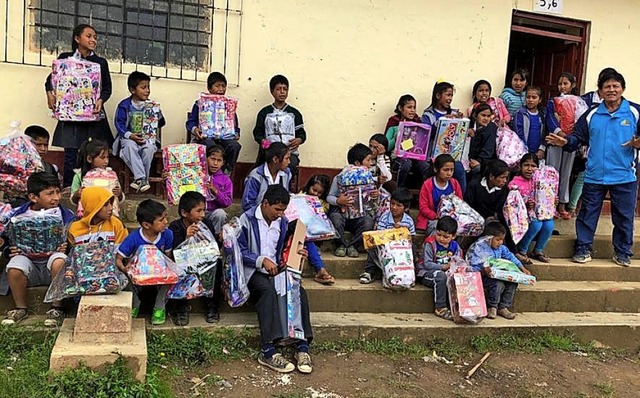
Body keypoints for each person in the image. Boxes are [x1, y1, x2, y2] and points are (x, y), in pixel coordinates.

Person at [546, 70, 640, 267]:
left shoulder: (634, 112)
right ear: (600, 90)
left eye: (616, 86)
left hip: (624, 176)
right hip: (594, 175)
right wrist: (565, 141)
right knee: (587, 214)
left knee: (624, 217)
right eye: (607, 86)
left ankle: (622, 252)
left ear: (622, 88)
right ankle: (583, 248)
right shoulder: (592, 114)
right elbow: (577, 139)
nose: (611, 90)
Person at [238, 184, 313, 374]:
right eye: (277, 209)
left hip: (276, 269)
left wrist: (295, 253)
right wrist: (261, 260)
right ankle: (267, 350)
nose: (280, 214)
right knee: (267, 291)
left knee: (298, 290)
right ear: (265, 203)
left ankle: (302, 346)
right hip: (251, 271)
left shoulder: (282, 222)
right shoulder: (246, 220)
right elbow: (238, 252)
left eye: (283, 210)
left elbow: (281, 250)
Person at [0, 172, 75, 326]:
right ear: (33, 197)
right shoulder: (17, 215)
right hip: (30, 266)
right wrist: (8, 250)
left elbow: (75, 242)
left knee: (60, 260)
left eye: (57, 192)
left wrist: (66, 248)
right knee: (15, 266)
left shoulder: (67, 216)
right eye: (49, 194)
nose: (56, 198)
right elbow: (5, 239)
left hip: (53, 266)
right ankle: (20, 307)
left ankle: (56, 307)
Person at [45, 24, 113, 187]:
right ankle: (70, 187)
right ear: (77, 38)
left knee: (93, 151)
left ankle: (92, 185)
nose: (93, 40)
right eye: (89, 36)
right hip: (70, 117)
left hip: (92, 116)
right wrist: (49, 94)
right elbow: (51, 80)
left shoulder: (100, 63)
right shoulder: (65, 59)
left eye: (95, 37)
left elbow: (107, 88)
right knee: (70, 153)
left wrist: (100, 100)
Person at [63, 187, 129, 326]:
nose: (111, 208)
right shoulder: (75, 228)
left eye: (111, 203)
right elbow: (74, 257)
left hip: (110, 273)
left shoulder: (115, 224)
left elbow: (120, 253)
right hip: (84, 275)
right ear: (93, 205)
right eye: (105, 204)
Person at [168, 191, 222, 325]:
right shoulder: (175, 227)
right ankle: (181, 307)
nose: (202, 215)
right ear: (184, 213)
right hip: (185, 262)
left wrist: (220, 239)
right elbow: (175, 253)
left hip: (203, 261)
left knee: (217, 265)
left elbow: (212, 246)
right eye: (198, 211)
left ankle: (212, 306)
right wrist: (186, 239)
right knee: (181, 268)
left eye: (203, 210)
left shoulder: (206, 224)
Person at [116, 199, 173, 324]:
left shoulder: (167, 235)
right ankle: (134, 302)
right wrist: (125, 269)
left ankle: (159, 306)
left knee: (173, 275)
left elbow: (168, 258)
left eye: (165, 218)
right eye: (161, 220)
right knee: (121, 276)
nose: (165, 222)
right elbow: (119, 260)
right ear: (146, 225)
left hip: (159, 273)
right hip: (138, 274)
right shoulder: (133, 238)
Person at [113, 71, 166, 192]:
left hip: (147, 139)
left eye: (148, 87)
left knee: (148, 149)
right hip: (129, 138)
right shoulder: (124, 105)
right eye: (143, 87)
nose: (147, 90)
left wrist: (158, 114)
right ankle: (143, 179)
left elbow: (161, 124)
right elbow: (118, 123)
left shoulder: (151, 105)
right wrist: (130, 135)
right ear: (132, 90)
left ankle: (139, 179)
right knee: (129, 147)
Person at [253, 75, 307, 191]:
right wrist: (263, 141)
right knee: (261, 168)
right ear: (272, 91)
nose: (282, 92)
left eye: (285, 89)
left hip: (290, 153)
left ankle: (287, 189)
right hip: (270, 153)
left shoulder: (294, 113)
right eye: (278, 89)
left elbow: (302, 133)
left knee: (290, 164)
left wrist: (299, 140)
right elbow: (257, 133)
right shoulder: (264, 112)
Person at [468, 222, 531, 320]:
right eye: (498, 240)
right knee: (498, 283)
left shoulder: (501, 248)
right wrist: (483, 270)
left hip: (499, 274)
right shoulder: (479, 248)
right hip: (484, 276)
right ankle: (492, 306)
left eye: (502, 239)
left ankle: (503, 306)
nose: (500, 242)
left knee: (513, 283)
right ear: (488, 238)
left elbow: (511, 257)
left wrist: (522, 268)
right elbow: (473, 266)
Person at [326, 144, 377, 258]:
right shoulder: (340, 177)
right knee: (335, 218)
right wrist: (339, 201)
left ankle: (352, 245)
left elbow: (371, 202)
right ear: (358, 163)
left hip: (359, 217)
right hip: (342, 214)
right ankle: (341, 245)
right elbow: (329, 197)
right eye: (368, 160)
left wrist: (374, 195)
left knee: (368, 221)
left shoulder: (369, 178)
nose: (370, 163)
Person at [186, 72, 241, 175]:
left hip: (224, 139)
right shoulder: (200, 104)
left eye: (223, 86)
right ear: (209, 88)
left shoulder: (228, 106)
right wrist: (195, 129)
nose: (221, 89)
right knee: (210, 145)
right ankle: (205, 173)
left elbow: (235, 126)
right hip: (205, 139)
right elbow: (190, 122)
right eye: (217, 86)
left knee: (235, 146)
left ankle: (225, 173)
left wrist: (236, 134)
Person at [360, 188, 415, 284]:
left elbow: (412, 237)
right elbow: (379, 235)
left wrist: (403, 231)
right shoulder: (384, 217)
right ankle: (370, 272)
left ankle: (408, 274)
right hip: (385, 247)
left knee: (413, 248)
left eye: (398, 205)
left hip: (400, 251)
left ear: (405, 208)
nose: (394, 207)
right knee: (372, 247)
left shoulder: (408, 220)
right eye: (392, 204)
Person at [509, 154, 554, 263]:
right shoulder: (515, 182)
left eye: (533, 166)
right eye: (526, 165)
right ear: (520, 167)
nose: (529, 169)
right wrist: (524, 203)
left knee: (549, 224)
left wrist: (552, 200)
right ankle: (522, 250)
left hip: (539, 213)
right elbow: (512, 202)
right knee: (536, 224)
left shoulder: (541, 182)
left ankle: (538, 250)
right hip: (522, 216)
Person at [546, 72, 580, 219]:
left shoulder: (577, 102)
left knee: (566, 173)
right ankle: (549, 204)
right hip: (555, 139)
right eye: (560, 83)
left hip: (569, 142)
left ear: (572, 85)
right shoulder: (552, 101)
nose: (562, 86)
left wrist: (570, 138)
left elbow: (579, 122)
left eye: (565, 83)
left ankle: (562, 204)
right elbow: (550, 120)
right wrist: (559, 133)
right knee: (552, 172)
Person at [421, 82, 467, 191]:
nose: (450, 99)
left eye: (451, 95)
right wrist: (442, 122)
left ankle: (461, 201)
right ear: (438, 96)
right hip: (433, 157)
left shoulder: (455, 113)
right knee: (428, 169)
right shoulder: (428, 115)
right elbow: (425, 136)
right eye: (448, 95)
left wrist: (464, 126)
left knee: (459, 168)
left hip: (451, 155)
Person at [416, 216, 462, 321]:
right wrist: (443, 267)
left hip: (447, 273)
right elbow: (427, 264)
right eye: (439, 234)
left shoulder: (455, 247)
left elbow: (459, 261)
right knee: (440, 276)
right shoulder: (430, 243)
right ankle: (440, 307)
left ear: (453, 236)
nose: (441, 238)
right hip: (427, 273)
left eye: (445, 237)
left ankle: (458, 307)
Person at [70, 139, 124, 217]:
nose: (106, 161)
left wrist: (119, 194)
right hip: (88, 216)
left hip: (109, 215)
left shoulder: (111, 175)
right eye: (102, 158)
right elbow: (73, 200)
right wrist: (77, 194)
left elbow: (120, 197)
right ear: (89, 159)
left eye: (107, 157)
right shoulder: (79, 176)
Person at [384, 95, 428, 187]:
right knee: (406, 163)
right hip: (398, 158)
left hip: (415, 158)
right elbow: (386, 147)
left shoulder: (418, 124)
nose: (413, 110)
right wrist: (396, 138)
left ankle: (423, 192)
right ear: (400, 108)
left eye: (414, 107)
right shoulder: (394, 125)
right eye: (409, 107)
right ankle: (399, 190)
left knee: (425, 166)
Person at [300, 175, 336, 285]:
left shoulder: (323, 203)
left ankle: (320, 270)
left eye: (319, 193)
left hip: (315, 232)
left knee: (309, 241)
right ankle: (320, 269)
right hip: (301, 229)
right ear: (308, 187)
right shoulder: (300, 196)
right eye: (313, 190)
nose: (315, 194)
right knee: (307, 240)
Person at [416, 154, 462, 234]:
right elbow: (423, 207)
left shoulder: (455, 183)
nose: (449, 173)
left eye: (452, 170)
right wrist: (436, 216)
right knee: (440, 229)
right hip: (432, 219)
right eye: (446, 170)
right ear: (436, 169)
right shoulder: (428, 185)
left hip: (451, 219)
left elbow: (459, 203)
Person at [241, 142, 291, 212]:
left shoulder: (286, 174)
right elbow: (247, 204)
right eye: (287, 158)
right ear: (275, 159)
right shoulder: (256, 176)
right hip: (256, 216)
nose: (289, 162)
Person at [203, 145, 233, 238]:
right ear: (206, 158)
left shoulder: (225, 180)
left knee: (220, 214)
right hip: (196, 211)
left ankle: (214, 240)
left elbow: (227, 202)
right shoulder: (197, 174)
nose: (215, 163)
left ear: (223, 162)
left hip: (212, 213)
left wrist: (215, 191)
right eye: (212, 159)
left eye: (219, 160)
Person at [514, 86, 546, 158]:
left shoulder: (543, 114)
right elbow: (518, 133)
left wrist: (542, 148)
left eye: (534, 97)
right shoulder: (520, 113)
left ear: (540, 100)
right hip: (523, 151)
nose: (530, 100)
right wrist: (524, 149)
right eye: (528, 97)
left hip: (538, 152)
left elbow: (545, 132)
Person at [468, 103, 497, 178]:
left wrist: (479, 161)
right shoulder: (469, 125)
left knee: (477, 168)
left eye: (488, 116)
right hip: (468, 159)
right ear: (475, 115)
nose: (486, 119)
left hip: (484, 161)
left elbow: (488, 150)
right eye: (483, 115)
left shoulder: (491, 128)